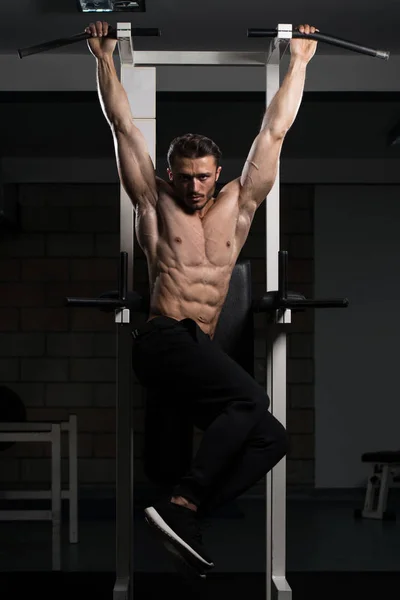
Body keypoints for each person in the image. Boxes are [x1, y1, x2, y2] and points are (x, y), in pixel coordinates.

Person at [86, 21, 318, 577]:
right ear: (171, 174)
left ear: (220, 174)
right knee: (251, 403)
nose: (194, 187)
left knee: (270, 437)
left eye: (203, 177)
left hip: (199, 353)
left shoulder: (239, 206)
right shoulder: (153, 203)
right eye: (185, 177)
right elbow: (122, 126)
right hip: (164, 339)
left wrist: (301, 60)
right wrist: (104, 57)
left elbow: (275, 132)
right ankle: (184, 502)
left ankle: (184, 513)